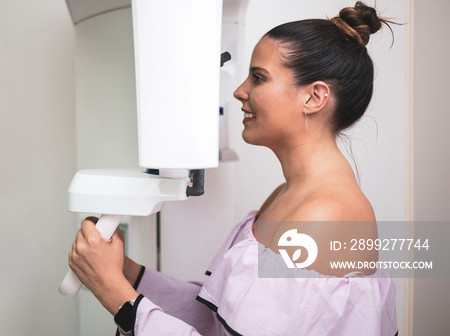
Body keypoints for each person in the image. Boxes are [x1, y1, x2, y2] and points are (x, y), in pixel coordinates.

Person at [68, 2, 398, 335]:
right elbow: (220, 319)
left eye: (258, 78)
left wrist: (118, 296)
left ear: (314, 98)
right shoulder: (289, 195)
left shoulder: (323, 216)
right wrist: (124, 272)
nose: (240, 91)